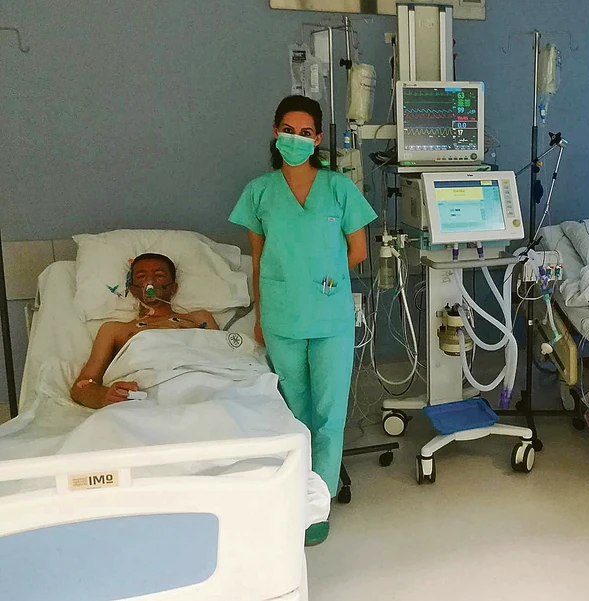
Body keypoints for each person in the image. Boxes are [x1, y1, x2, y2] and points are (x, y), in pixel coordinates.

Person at [228, 95, 376, 546]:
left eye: (305, 132)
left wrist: (328, 279)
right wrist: (259, 314)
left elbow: (359, 250)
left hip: (329, 316)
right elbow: (259, 260)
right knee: (294, 412)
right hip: (281, 316)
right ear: (276, 133)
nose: (296, 138)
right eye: (288, 130)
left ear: (317, 138)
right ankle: (294, 493)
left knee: (329, 414)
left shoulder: (338, 188)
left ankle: (317, 505)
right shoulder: (259, 192)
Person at [70, 253, 220, 409]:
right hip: (143, 397)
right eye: (141, 277)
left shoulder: (199, 319)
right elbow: (81, 387)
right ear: (133, 289)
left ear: (173, 287)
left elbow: (224, 358)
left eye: (159, 275)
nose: (150, 282)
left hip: (203, 388)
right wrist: (104, 396)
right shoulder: (114, 330)